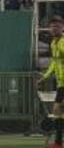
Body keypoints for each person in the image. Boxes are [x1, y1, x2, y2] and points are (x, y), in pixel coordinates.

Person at [41, 15, 64, 148]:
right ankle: (58, 142)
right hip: (61, 83)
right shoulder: (53, 43)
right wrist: (45, 76)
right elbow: (54, 64)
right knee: (57, 110)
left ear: (62, 27)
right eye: (52, 26)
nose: (54, 28)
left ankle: (58, 142)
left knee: (57, 109)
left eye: (57, 26)